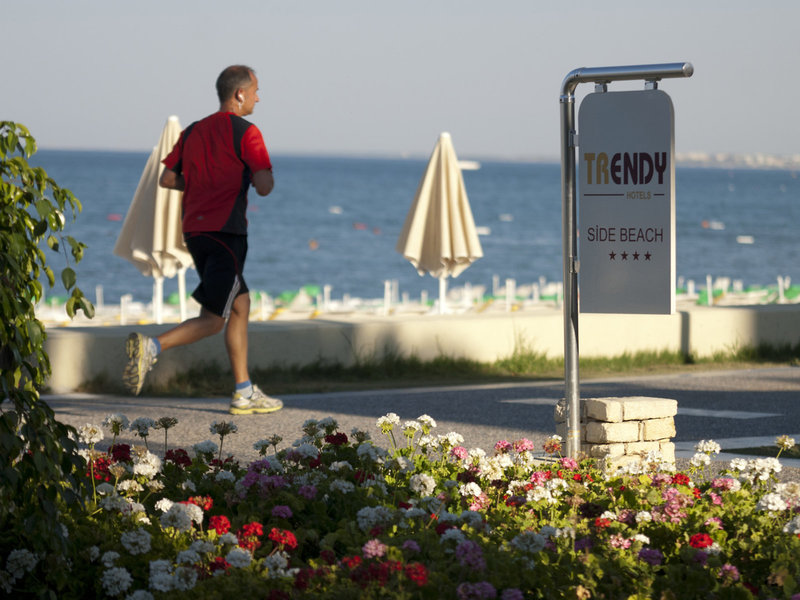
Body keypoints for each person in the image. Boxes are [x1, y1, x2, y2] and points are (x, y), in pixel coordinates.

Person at [122, 65, 282, 416]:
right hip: (227, 233)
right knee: (214, 319)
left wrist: (201, 184)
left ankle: (243, 391)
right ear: (239, 94)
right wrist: (257, 177)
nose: (258, 98)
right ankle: (152, 347)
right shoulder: (247, 132)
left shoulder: (193, 130)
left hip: (195, 233)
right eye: (255, 91)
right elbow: (265, 186)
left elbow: (167, 179)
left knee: (240, 304)